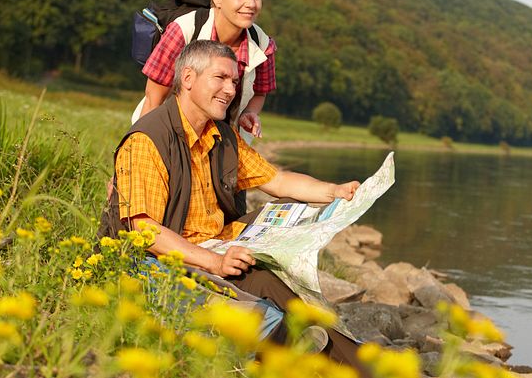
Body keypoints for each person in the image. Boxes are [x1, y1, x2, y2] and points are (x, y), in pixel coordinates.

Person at [105, 40, 369, 375]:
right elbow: (144, 229)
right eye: (221, 78)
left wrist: (335, 191)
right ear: (187, 78)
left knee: (286, 292)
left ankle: (365, 368)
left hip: (216, 251)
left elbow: (278, 182)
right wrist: (215, 262)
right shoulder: (148, 139)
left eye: (234, 81)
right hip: (166, 263)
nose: (230, 90)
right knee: (270, 313)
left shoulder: (222, 135)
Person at [137, 0, 277, 143]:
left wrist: (249, 112)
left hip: (226, 142)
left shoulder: (263, 44)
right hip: (170, 135)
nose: (251, 4)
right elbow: (153, 99)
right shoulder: (184, 30)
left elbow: (260, 91)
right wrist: (137, 152)